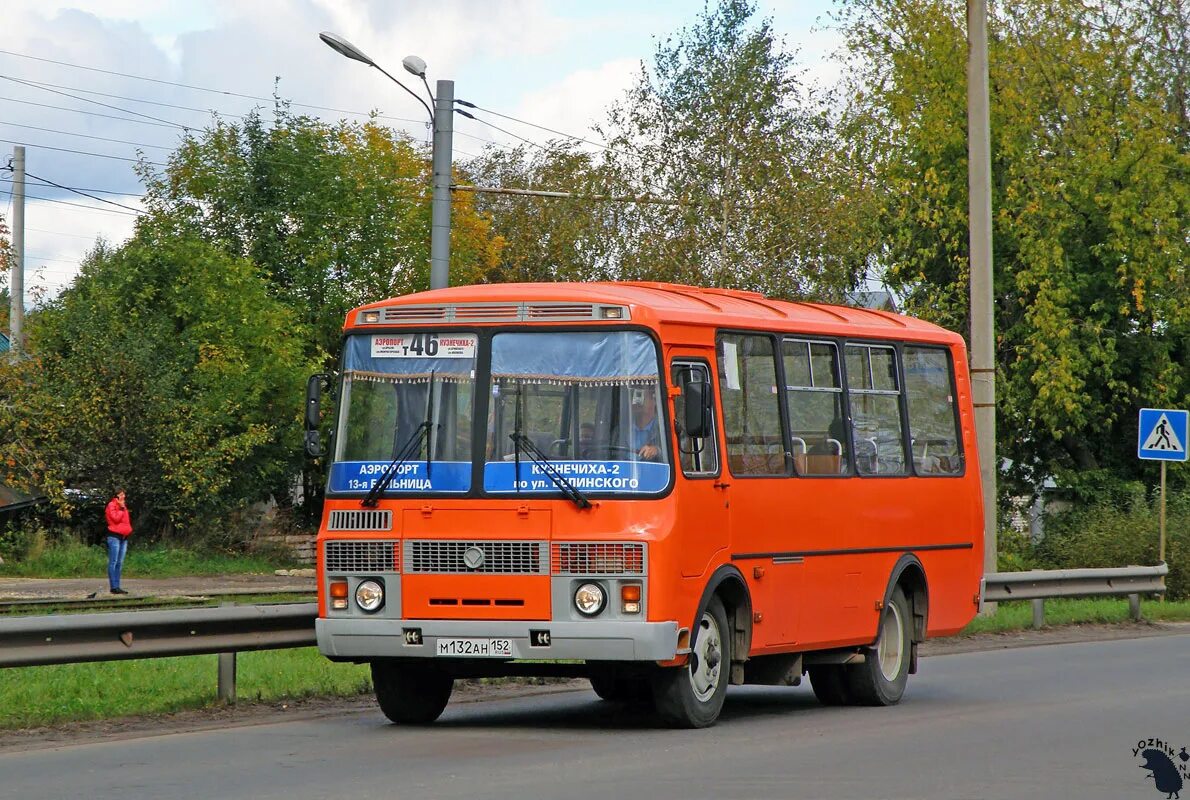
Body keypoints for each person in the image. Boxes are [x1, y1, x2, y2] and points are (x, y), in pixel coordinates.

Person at [104, 489, 132, 594]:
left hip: (124, 536)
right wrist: (120, 508)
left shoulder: (123, 506)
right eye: (121, 494)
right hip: (114, 536)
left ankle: (118, 586)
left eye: (124, 494)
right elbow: (115, 518)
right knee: (114, 562)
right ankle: (113, 586)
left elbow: (126, 521)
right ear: (116, 496)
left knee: (120, 562)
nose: (124, 496)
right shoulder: (112, 505)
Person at [630, 389, 661, 461]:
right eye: (634, 396)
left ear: (653, 401)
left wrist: (657, 450)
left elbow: (679, 455)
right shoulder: (620, 431)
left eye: (641, 396)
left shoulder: (666, 429)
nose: (637, 401)